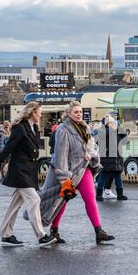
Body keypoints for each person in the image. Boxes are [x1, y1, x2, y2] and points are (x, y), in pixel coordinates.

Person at [40, 101, 115, 244]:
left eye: (80, 111)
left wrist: (90, 154)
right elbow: (60, 154)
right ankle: (54, 230)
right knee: (62, 201)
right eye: (76, 112)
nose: (79, 114)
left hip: (83, 168)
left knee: (90, 198)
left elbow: (92, 146)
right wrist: (64, 178)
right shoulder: (63, 129)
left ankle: (99, 231)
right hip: (68, 171)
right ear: (68, 113)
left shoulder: (84, 126)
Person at [0, 102, 56, 248]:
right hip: (21, 172)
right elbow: (8, 148)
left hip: (29, 172)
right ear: (32, 112)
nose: (41, 114)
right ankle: (41, 236)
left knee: (15, 204)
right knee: (34, 200)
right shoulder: (20, 128)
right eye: (39, 112)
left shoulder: (34, 128)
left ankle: (6, 234)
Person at [96, 114, 128, 201]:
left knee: (117, 176)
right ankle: (99, 195)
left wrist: (120, 130)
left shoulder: (115, 131)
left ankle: (120, 195)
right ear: (107, 124)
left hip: (116, 157)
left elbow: (126, 141)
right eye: (111, 122)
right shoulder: (103, 131)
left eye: (113, 122)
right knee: (103, 175)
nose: (113, 124)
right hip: (107, 157)